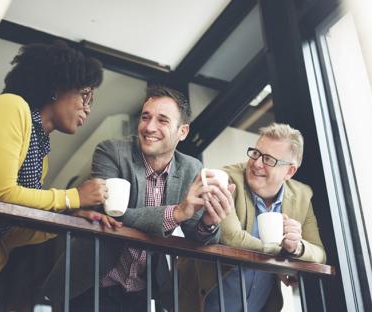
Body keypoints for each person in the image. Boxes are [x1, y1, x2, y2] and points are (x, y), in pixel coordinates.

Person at [42, 85, 235, 311]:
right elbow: (112, 214)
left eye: (162, 120)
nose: (149, 127)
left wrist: (209, 223)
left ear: (182, 132)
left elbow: (198, 235)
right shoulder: (111, 151)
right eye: (146, 117)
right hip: (90, 283)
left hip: (141, 292)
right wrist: (177, 213)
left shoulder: (192, 168)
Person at [0, 41, 121, 311]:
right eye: (85, 95)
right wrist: (73, 197)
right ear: (56, 86)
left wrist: (65, 219)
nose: (88, 108)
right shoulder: (10, 107)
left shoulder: (40, 150)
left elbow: (10, 231)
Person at [178, 123, 326, 312]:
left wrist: (297, 247)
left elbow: (319, 253)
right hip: (204, 302)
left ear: (289, 171)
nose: (256, 163)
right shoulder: (227, 178)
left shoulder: (302, 196)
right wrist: (282, 254)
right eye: (256, 153)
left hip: (258, 306)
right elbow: (232, 238)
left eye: (268, 159)